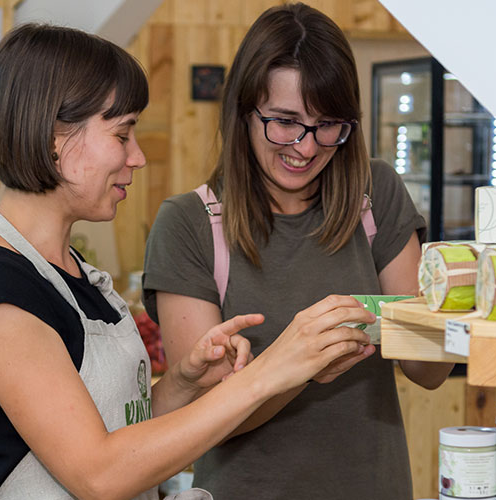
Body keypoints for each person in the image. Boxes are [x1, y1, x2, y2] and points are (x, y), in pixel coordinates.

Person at [0, 23, 377, 500]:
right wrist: (269, 374)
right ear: (53, 137)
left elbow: (121, 430)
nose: (138, 157)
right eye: (122, 134)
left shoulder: (72, 272)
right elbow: (99, 473)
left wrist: (181, 385)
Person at [143, 4, 455, 499]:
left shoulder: (377, 195)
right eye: (285, 121)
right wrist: (301, 365)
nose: (306, 147)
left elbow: (429, 373)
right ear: (244, 112)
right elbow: (201, 422)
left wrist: (457, 308)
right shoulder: (188, 225)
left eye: (327, 124)